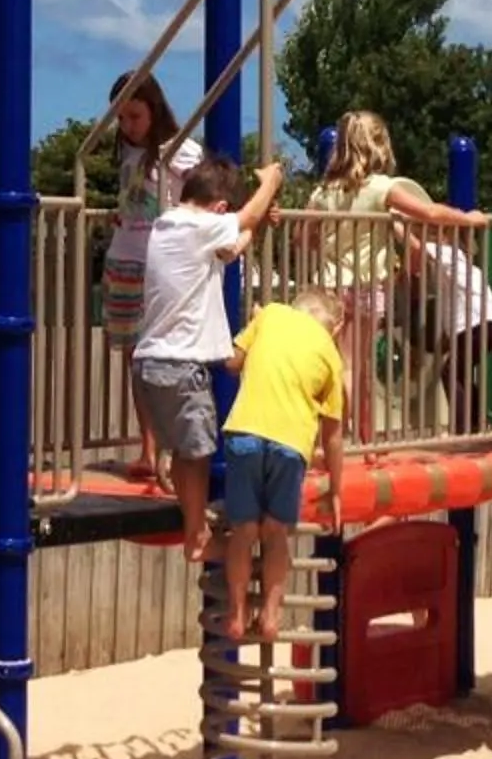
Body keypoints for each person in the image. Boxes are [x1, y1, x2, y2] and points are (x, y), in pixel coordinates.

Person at [134, 154, 287, 559]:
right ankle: (197, 536)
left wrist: (255, 223)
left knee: (188, 450)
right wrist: (270, 182)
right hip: (179, 366)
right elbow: (241, 220)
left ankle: (188, 512)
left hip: (152, 363)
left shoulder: (171, 225)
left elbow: (231, 248)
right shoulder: (195, 226)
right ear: (219, 209)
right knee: (199, 453)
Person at [304, 110, 491, 434]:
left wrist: (326, 247)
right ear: (379, 146)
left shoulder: (323, 193)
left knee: (338, 361)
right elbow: (429, 212)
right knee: (355, 365)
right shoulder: (380, 187)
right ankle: (355, 437)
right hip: (366, 284)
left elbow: (303, 237)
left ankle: (345, 435)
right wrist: (468, 219)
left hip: (330, 286)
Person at [219, 289, 349, 642]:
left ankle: (236, 613)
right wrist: (336, 490)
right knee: (276, 533)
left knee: (243, 531)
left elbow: (231, 362)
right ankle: (271, 616)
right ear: (336, 328)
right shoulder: (331, 355)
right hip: (291, 445)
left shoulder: (271, 314)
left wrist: (254, 326)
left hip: (244, 433)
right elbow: (333, 435)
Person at [99, 68, 202, 484]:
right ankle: (147, 446)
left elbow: (207, 192)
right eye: (121, 118)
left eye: (135, 116)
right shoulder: (129, 154)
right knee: (135, 359)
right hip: (124, 259)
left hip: (160, 266)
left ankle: (172, 449)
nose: (128, 126)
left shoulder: (179, 150)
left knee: (164, 358)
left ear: (154, 110)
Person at [406, 229, 492, 433]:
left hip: (477, 323)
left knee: (451, 372)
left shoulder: (447, 253)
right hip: (490, 324)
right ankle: (478, 422)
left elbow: (416, 247)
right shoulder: (461, 265)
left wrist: (398, 224)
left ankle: (463, 427)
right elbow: (451, 308)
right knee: (460, 372)